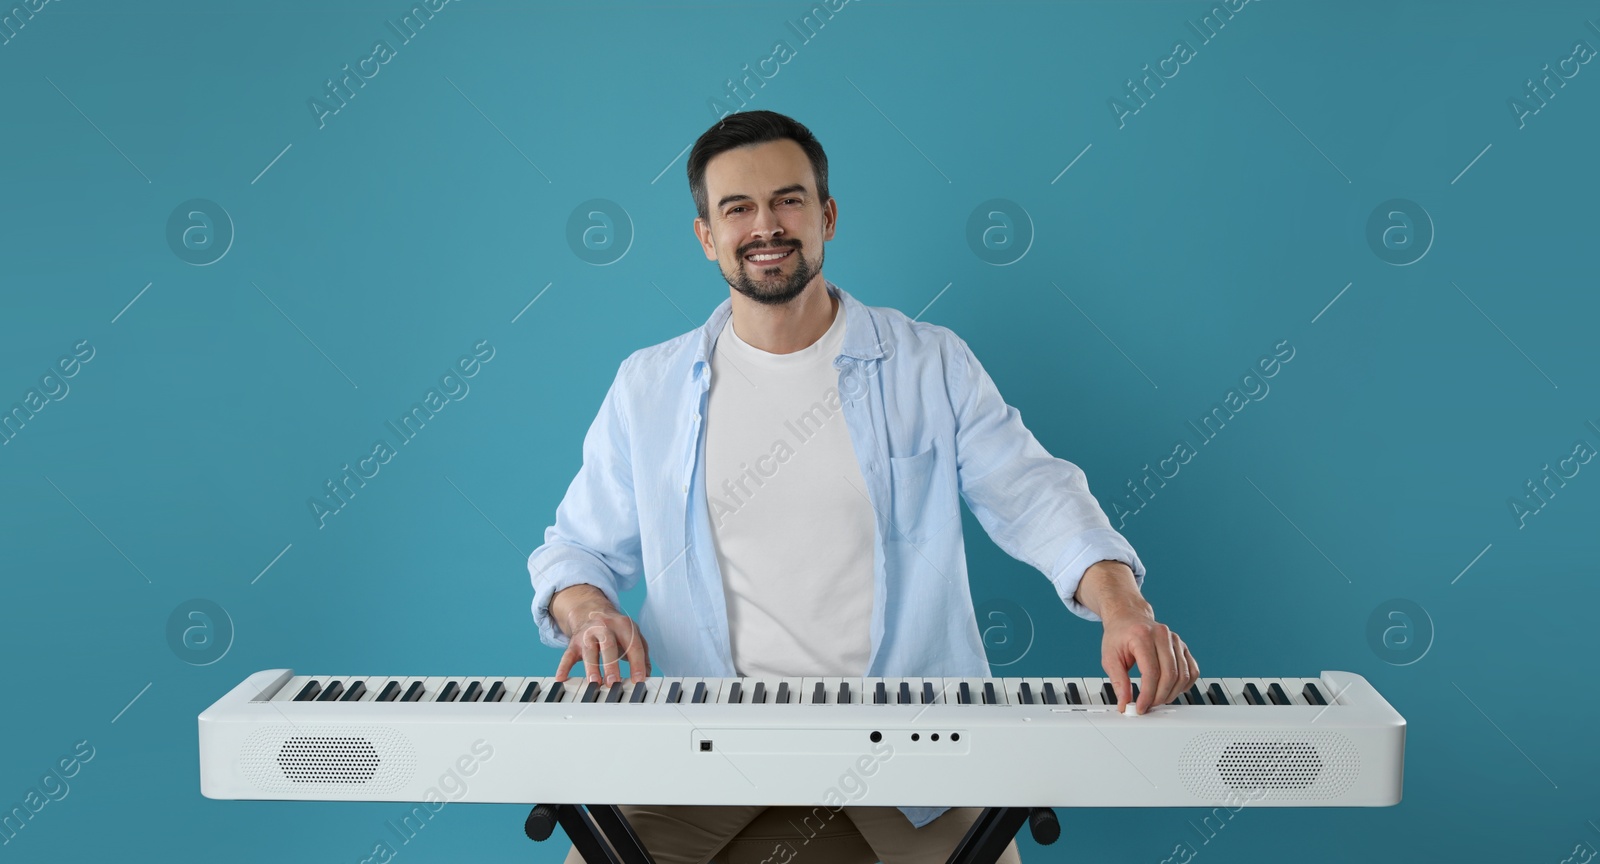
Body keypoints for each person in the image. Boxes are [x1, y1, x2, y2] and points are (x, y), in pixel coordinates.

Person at [528, 110, 1199, 864]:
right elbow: (576, 550)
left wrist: (1122, 606)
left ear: (827, 216)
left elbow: (1035, 492)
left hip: (913, 745)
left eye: (787, 201)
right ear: (706, 236)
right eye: (737, 209)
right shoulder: (646, 386)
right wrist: (588, 611)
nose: (766, 226)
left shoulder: (929, 364)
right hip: (698, 744)